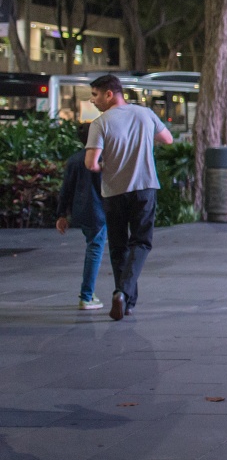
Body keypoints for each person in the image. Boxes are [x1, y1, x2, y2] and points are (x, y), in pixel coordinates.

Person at [83, 74, 173, 321]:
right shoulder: (145, 114)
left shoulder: (100, 123)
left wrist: (104, 166)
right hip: (145, 188)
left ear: (109, 94)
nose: (93, 101)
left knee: (119, 246)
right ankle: (124, 294)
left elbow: (90, 163)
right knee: (141, 242)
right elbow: (168, 139)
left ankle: (124, 297)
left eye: (95, 95)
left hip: (114, 192)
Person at [58, 123, 106, 311]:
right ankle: (87, 295)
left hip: (81, 211)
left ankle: (88, 294)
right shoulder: (102, 160)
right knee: (95, 249)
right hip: (98, 212)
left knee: (92, 247)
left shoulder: (74, 160)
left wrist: (62, 214)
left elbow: (66, 190)